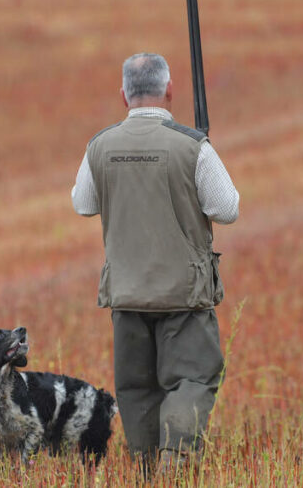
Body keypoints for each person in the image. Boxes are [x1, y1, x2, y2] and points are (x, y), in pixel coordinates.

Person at [71, 52, 239, 476]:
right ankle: (176, 461)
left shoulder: (100, 145)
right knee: (193, 380)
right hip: (183, 295)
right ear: (169, 89)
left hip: (126, 294)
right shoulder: (191, 145)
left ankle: (146, 469)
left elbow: (83, 204)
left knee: (136, 388)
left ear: (123, 95)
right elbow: (227, 208)